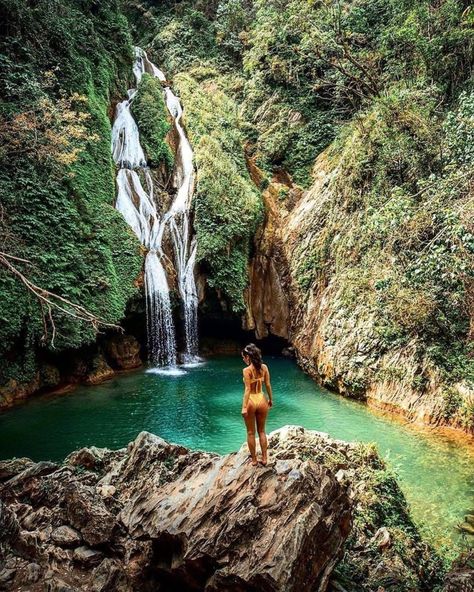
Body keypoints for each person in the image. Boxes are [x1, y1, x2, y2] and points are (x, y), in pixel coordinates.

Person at [241, 343, 273, 466]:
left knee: (250, 432)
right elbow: (268, 385)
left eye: (244, 357)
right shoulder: (264, 367)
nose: (243, 360)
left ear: (248, 357)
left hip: (251, 401)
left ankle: (254, 460)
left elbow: (247, 390)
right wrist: (270, 399)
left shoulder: (246, 370)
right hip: (261, 398)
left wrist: (244, 407)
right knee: (262, 431)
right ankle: (265, 459)